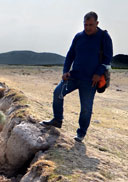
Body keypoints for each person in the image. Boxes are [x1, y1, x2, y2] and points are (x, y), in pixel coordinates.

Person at [41, 11, 113, 143]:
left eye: (91, 25)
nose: (88, 27)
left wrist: (98, 73)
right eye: (85, 24)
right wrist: (65, 71)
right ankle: (57, 119)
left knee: (86, 108)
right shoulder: (79, 37)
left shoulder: (104, 37)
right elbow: (70, 55)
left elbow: (108, 58)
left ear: (97, 23)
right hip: (74, 76)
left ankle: (81, 133)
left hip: (91, 80)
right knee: (58, 92)